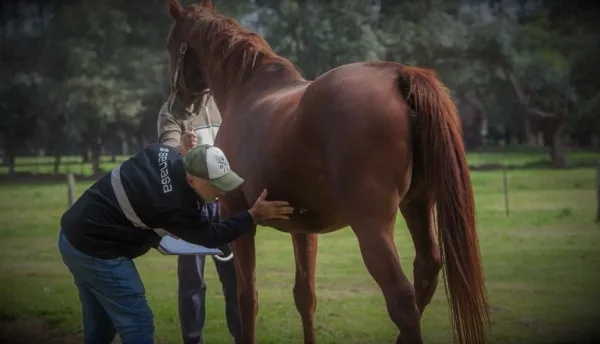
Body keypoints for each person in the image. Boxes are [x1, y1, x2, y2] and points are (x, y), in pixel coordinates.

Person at [58, 130, 293, 344]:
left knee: (101, 328)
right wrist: (253, 215)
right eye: (215, 185)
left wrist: (182, 150)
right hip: (95, 249)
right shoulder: (176, 206)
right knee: (137, 322)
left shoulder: (161, 152)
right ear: (191, 180)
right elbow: (212, 236)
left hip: (73, 233)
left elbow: (165, 157)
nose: (222, 192)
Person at [157, 92, 240, 344]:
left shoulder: (227, 100)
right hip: (191, 206)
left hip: (226, 202)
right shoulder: (172, 109)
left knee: (236, 280)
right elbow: (167, 153)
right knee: (192, 282)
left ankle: (243, 337)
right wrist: (181, 147)